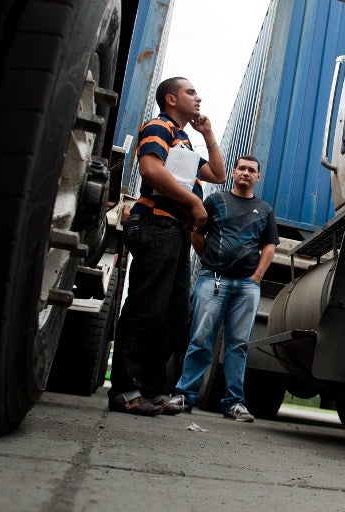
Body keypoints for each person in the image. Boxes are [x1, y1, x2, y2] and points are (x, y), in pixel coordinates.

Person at [108, 77, 226, 416]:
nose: (198, 96)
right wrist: (193, 202)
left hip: (174, 232)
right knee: (147, 308)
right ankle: (126, 390)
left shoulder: (185, 140)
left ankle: (150, 388)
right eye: (191, 91)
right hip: (155, 224)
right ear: (171, 99)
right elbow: (150, 168)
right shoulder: (160, 126)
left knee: (174, 316)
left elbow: (218, 174)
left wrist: (208, 135)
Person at [169, 155, 279, 422]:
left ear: (258, 177)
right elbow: (197, 232)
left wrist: (256, 277)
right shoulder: (216, 201)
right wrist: (210, 260)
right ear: (233, 172)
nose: (246, 173)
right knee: (200, 339)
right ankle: (185, 395)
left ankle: (234, 403)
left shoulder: (264, 209)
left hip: (246, 287)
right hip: (212, 280)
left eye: (252, 170)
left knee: (238, 345)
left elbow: (270, 245)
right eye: (241, 168)